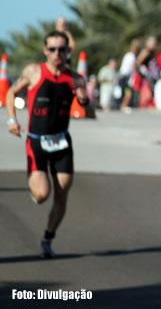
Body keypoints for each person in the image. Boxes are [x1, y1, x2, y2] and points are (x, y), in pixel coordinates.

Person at [5, 31, 88, 259]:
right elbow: (11, 93)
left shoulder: (75, 78)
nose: (57, 54)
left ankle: (48, 238)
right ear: (45, 51)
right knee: (43, 194)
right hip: (37, 141)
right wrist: (12, 120)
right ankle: (36, 189)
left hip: (61, 141)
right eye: (52, 49)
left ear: (68, 52)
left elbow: (87, 109)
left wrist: (84, 99)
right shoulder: (34, 72)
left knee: (62, 194)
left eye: (61, 49)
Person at [119, 38, 142, 113]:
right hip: (126, 76)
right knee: (128, 92)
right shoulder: (132, 56)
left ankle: (123, 105)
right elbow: (133, 67)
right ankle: (124, 106)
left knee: (126, 91)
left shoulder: (128, 55)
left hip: (123, 75)